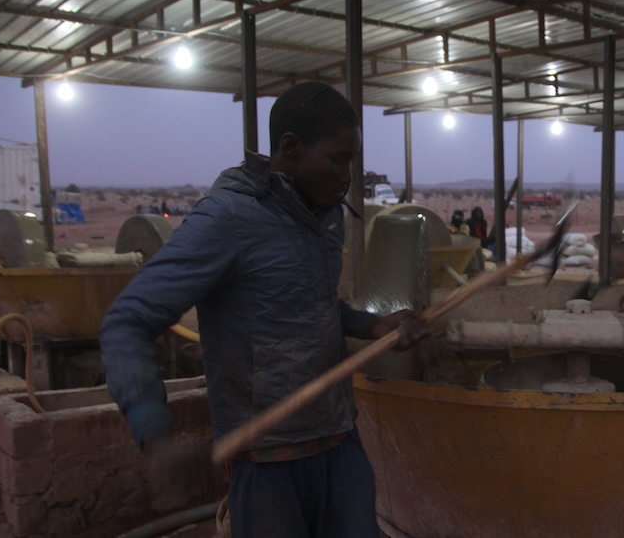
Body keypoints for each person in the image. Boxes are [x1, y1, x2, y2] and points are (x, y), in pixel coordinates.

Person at [99, 82, 427, 538]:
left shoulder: (325, 215)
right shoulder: (228, 219)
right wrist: (155, 436)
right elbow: (126, 321)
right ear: (291, 149)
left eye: (351, 161)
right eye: (338, 159)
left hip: (338, 441)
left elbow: (310, 303)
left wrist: (372, 325)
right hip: (267, 461)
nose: (348, 176)